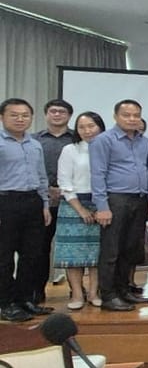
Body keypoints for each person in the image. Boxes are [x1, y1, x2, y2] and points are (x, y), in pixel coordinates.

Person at [90, 99, 148, 311]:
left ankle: (124, 290)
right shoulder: (103, 140)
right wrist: (102, 206)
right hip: (115, 200)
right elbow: (98, 175)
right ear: (116, 116)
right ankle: (108, 295)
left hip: (140, 199)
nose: (132, 119)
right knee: (111, 250)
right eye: (127, 115)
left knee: (130, 249)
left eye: (136, 115)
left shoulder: (144, 142)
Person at [0, 98, 53, 322]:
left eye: (25, 115)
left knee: (32, 255)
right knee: (3, 257)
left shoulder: (35, 144)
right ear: (2, 117)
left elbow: (41, 177)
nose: (20, 119)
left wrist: (44, 205)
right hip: (5, 201)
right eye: (14, 115)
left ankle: (25, 300)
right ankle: (6, 302)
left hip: (33, 202)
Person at [54, 112, 105, 310]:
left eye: (91, 126)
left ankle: (94, 292)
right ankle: (77, 293)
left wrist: (102, 206)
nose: (87, 131)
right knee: (73, 254)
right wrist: (81, 209)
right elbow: (65, 183)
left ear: (100, 127)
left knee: (98, 253)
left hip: (101, 204)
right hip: (73, 205)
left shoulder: (106, 148)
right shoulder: (70, 150)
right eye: (82, 127)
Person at [32, 99, 74, 299]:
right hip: (44, 202)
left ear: (69, 116)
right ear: (46, 114)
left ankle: (78, 291)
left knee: (74, 247)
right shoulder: (34, 140)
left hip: (73, 202)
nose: (57, 115)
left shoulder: (78, 139)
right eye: (53, 111)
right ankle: (36, 292)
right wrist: (48, 189)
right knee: (39, 248)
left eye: (62, 111)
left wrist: (65, 189)